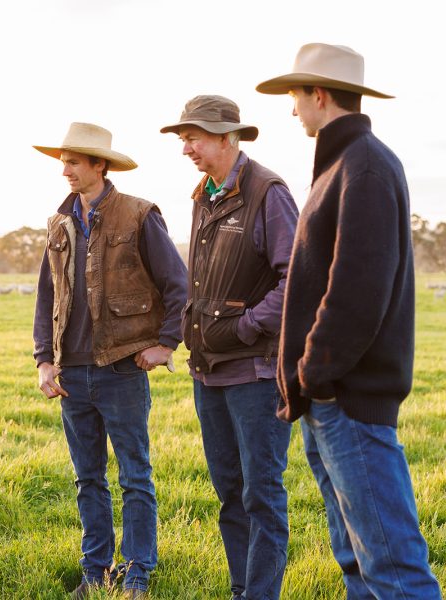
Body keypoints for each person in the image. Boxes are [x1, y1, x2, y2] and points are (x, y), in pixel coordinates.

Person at [257, 43, 442, 598]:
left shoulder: (363, 166)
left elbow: (357, 292)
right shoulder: (341, 165)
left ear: (318, 94)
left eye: (295, 96)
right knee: (356, 561)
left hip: (349, 400)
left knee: (392, 566)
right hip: (329, 400)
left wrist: (316, 373)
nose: (292, 110)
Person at [32, 122, 189, 599]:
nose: (66, 171)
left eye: (74, 162)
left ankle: (138, 573)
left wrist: (166, 343)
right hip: (71, 373)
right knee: (87, 479)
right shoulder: (57, 223)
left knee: (135, 477)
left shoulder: (139, 215)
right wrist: (44, 360)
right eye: (63, 162)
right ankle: (95, 571)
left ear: (100, 165)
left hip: (122, 368)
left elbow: (178, 285)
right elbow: (46, 298)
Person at [159, 96, 298, 600]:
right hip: (209, 373)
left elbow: (297, 280)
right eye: (183, 140)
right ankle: (243, 590)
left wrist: (245, 329)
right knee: (229, 496)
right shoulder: (204, 195)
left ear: (226, 137)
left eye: (193, 138)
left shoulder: (268, 192)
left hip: (256, 375)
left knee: (261, 495)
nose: (186, 149)